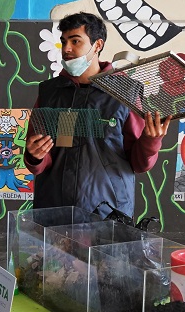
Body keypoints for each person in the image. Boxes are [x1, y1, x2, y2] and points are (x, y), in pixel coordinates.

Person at [24, 12, 170, 218]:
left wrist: (150, 141)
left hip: (107, 212)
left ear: (97, 45)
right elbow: (45, 157)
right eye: (64, 41)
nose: (66, 49)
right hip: (54, 209)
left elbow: (139, 163)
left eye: (75, 41)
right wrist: (35, 156)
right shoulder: (50, 92)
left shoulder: (125, 92)